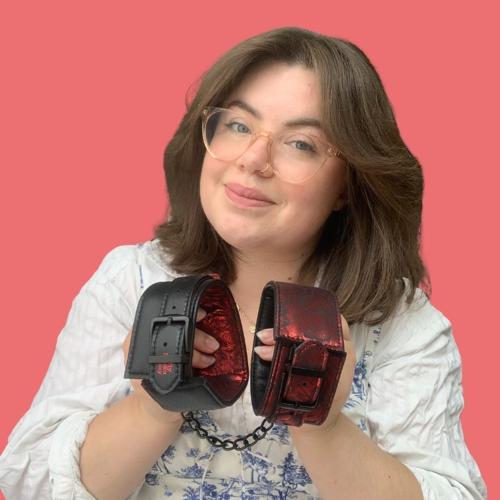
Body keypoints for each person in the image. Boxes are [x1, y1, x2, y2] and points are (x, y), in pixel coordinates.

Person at [0, 26, 487, 499]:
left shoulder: (402, 325)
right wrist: (151, 408)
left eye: (301, 144)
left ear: (347, 185)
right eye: (238, 125)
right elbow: (28, 484)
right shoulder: (128, 282)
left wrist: (325, 427)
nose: (254, 159)